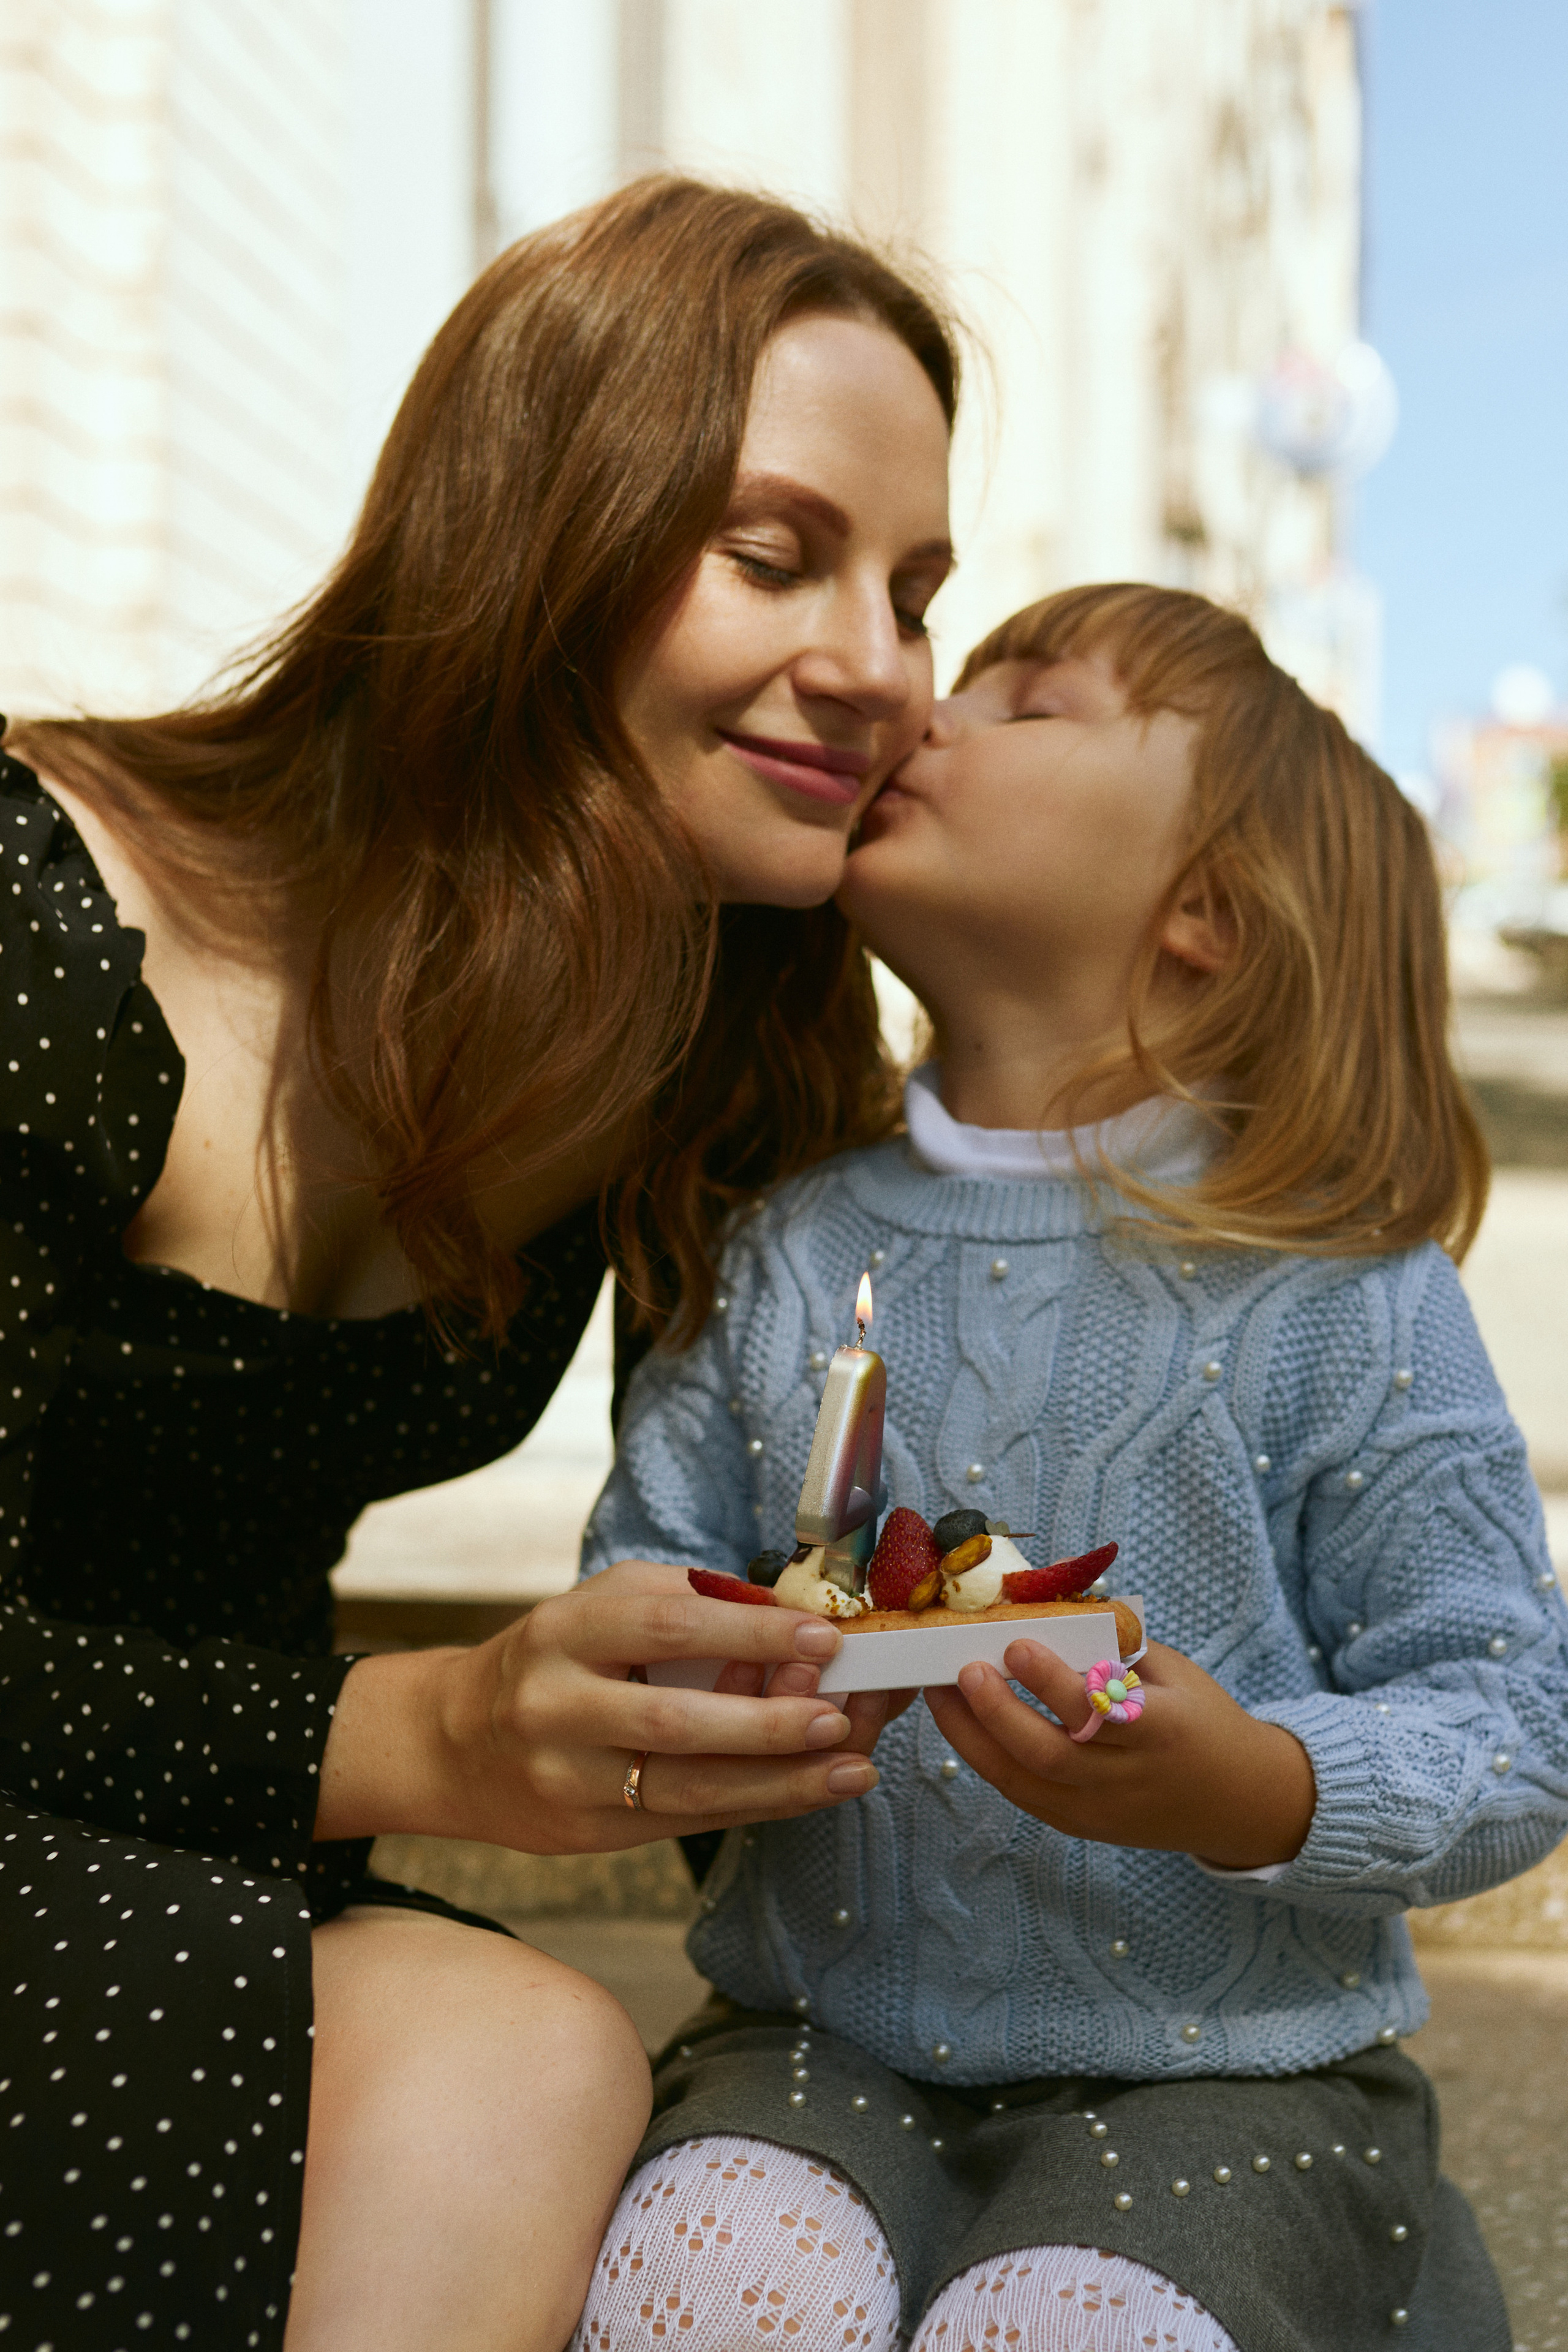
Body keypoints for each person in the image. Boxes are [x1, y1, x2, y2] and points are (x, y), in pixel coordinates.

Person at [0, 176, 959, 2351]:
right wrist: (428, 1731)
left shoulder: (720, 1042)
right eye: (776, 555)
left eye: (920, 591)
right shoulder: (46, 922)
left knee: (531, 2064)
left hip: (217, 1834)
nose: (879, 670)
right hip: (166, 1815)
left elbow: (801, 1594)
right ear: (539, 539)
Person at [575, 583, 1567, 2350]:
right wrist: (709, 1693)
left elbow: (1514, 1721)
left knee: (1066, 2321)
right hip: (817, 2043)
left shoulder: (1344, 1294)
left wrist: (1261, 1784)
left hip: (1233, 2084)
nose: (927, 711)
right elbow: (632, 1606)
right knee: (702, 2287)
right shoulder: (781, 1255)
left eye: (1028, 703)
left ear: (1210, 910)